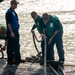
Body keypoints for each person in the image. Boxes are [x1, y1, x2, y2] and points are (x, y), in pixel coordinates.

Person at [5, 0, 25, 65]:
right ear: (11, 4)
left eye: (16, 4)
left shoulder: (14, 12)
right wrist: (11, 32)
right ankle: (10, 60)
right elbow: (9, 23)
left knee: (17, 45)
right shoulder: (9, 12)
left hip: (16, 31)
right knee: (10, 46)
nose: (16, 6)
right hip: (11, 32)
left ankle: (17, 58)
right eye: (15, 4)